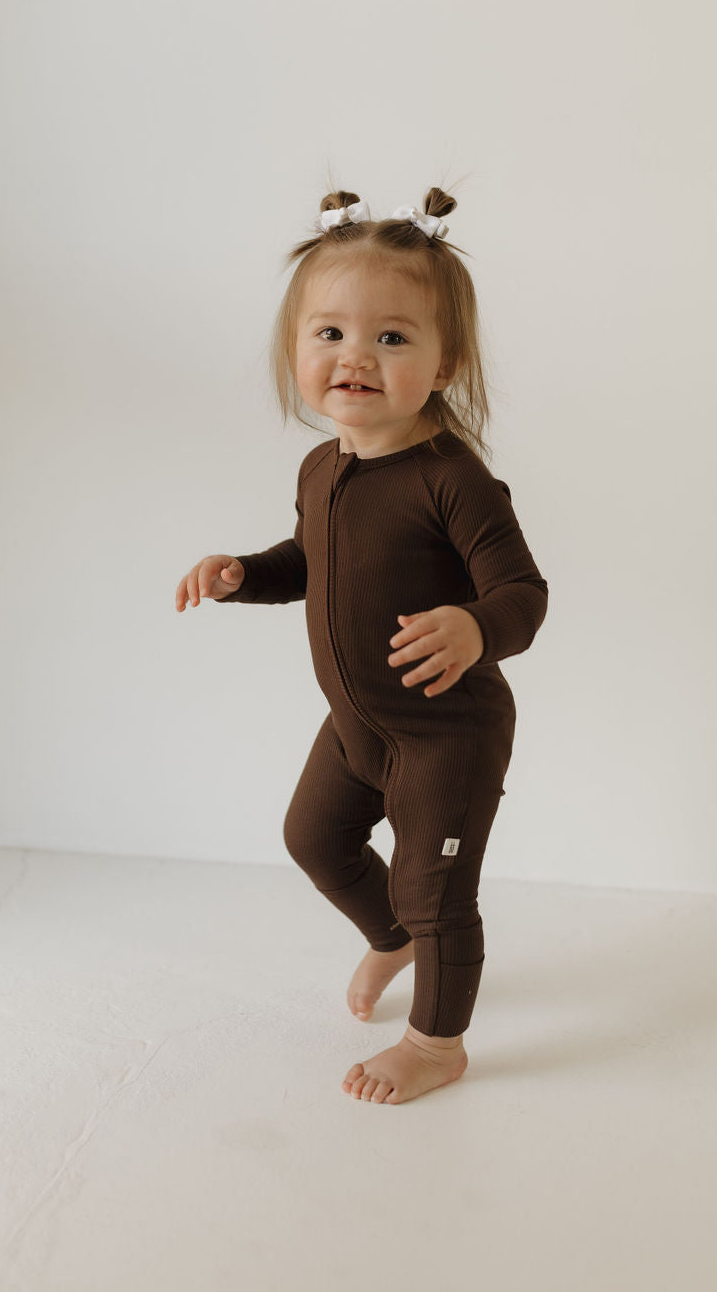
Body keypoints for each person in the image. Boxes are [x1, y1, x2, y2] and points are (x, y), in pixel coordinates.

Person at [175, 186, 548, 1105]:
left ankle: (438, 1042)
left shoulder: (452, 479)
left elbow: (523, 596)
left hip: (442, 734)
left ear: (444, 360)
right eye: (330, 334)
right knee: (315, 837)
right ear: (296, 347)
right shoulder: (323, 464)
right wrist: (243, 573)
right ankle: (391, 942)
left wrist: (474, 625)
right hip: (354, 723)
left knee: (437, 893)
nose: (356, 358)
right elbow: (311, 557)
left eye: (391, 337)